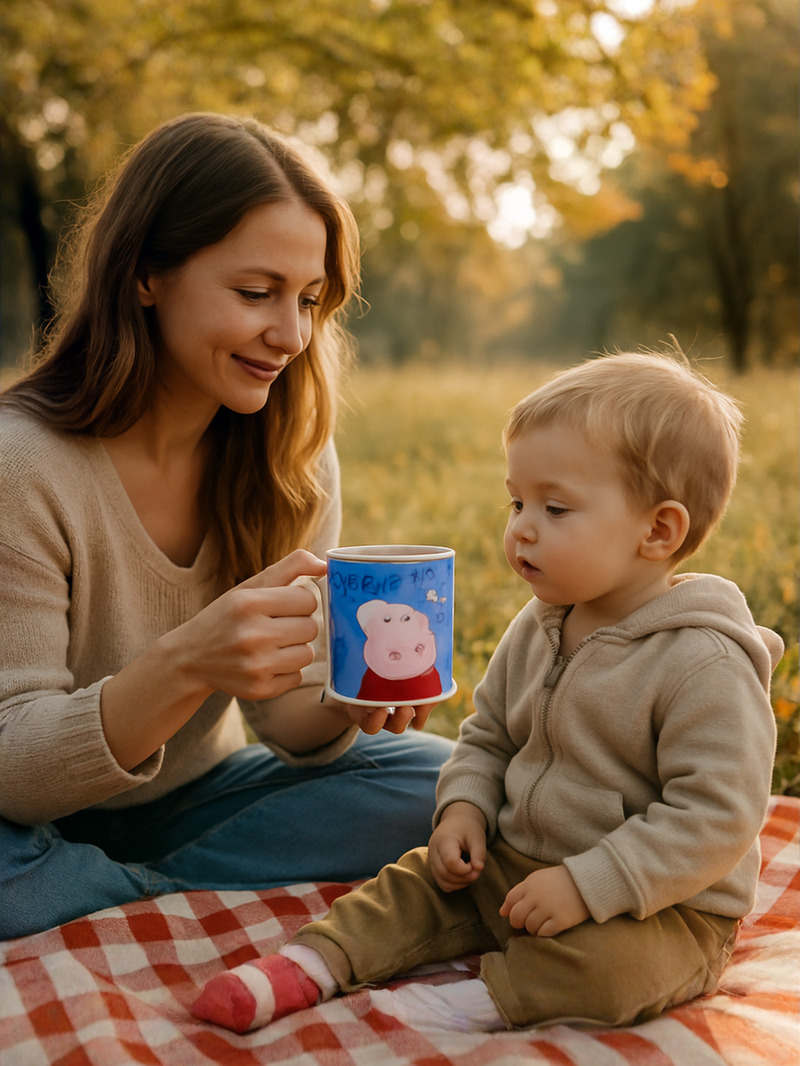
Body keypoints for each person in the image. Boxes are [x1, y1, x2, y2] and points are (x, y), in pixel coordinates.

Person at [191, 351, 782, 1035]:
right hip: (515, 864)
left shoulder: (703, 660)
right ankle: (310, 964)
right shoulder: (541, 623)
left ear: (659, 530)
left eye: (555, 507)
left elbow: (715, 817)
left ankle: (493, 998)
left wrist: (588, 885)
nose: (523, 526)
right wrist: (464, 809)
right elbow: (489, 734)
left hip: (656, 906)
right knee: (412, 886)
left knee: (619, 971)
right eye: (518, 501)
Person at [0, 112, 453, 941]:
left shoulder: (293, 462)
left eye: (311, 300)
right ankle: (160, 896)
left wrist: (347, 703)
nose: (291, 335)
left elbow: (283, 724)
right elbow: (13, 770)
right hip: (21, 823)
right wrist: (186, 661)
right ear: (145, 275)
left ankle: (119, 893)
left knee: (449, 786)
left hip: (195, 804)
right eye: (256, 294)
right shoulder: (22, 468)